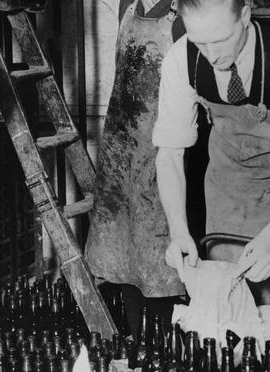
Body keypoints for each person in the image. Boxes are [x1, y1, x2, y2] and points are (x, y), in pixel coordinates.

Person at [154, 0, 270, 289]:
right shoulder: (181, 60)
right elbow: (169, 155)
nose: (213, 55)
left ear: (244, 15)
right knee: (235, 307)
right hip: (232, 183)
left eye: (221, 40)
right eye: (200, 42)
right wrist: (178, 230)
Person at [85, 0, 189, 337]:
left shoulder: (180, 17)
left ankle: (163, 347)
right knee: (125, 252)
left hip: (162, 155)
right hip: (121, 152)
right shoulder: (128, 7)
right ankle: (137, 338)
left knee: (160, 255)